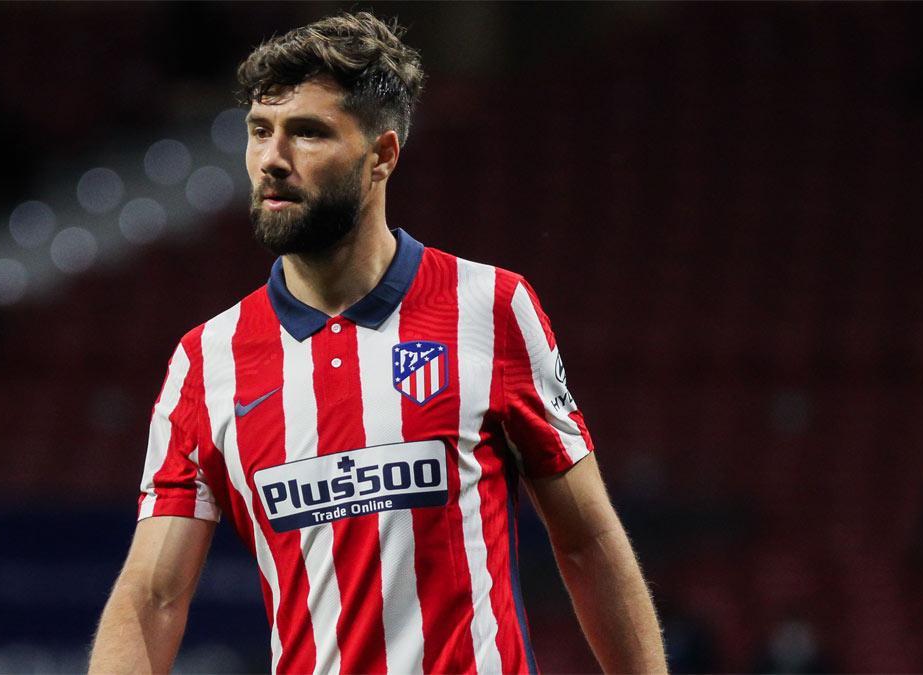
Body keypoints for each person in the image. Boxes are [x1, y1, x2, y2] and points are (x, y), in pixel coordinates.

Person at [89, 11, 665, 674]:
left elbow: (588, 540)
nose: (272, 159)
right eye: (259, 131)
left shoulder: (491, 307)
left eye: (307, 132)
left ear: (382, 156)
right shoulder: (206, 359)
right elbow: (152, 597)